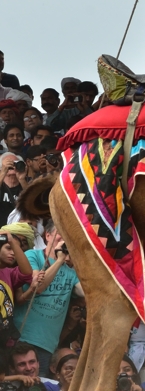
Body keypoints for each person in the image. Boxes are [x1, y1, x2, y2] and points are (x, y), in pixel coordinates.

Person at [13, 221, 84, 376]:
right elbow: (37, 287)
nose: (64, 237)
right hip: (22, 338)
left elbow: (87, 294)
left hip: (47, 345)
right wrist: (59, 260)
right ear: (48, 235)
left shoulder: (71, 272)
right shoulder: (32, 255)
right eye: (60, 233)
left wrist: (78, 262)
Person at [0, 227, 37, 351]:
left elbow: (27, 273)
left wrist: (13, 243)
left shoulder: (9, 273)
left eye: (15, 250)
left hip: (4, 337)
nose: (13, 253)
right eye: (8, 248)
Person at [0, 154, 26, 227]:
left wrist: (22, 179)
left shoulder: (27, 182)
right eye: (9, 163)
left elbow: (33, 202)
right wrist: (2, 173)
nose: (13, 166)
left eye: (16, 163)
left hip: (20, 230)